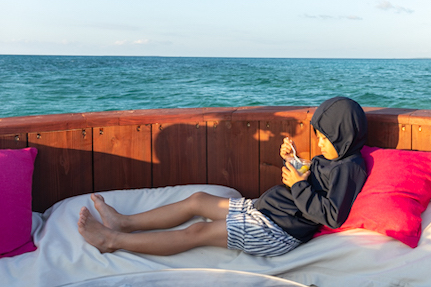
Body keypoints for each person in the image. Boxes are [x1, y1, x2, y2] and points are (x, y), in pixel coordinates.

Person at [77, 96, 368, 257]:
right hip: (266, 209)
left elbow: (332, 215)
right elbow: (316, 181)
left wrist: (298, 185)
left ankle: (112, 240)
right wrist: (294, 161)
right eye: (318, 136)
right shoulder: (335, 158)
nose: (319, 144)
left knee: (196, 233)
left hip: (278, 230)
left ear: (345, 138)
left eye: (326, 139)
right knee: (197, 200)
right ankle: (124, 222)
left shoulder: (349, 168)